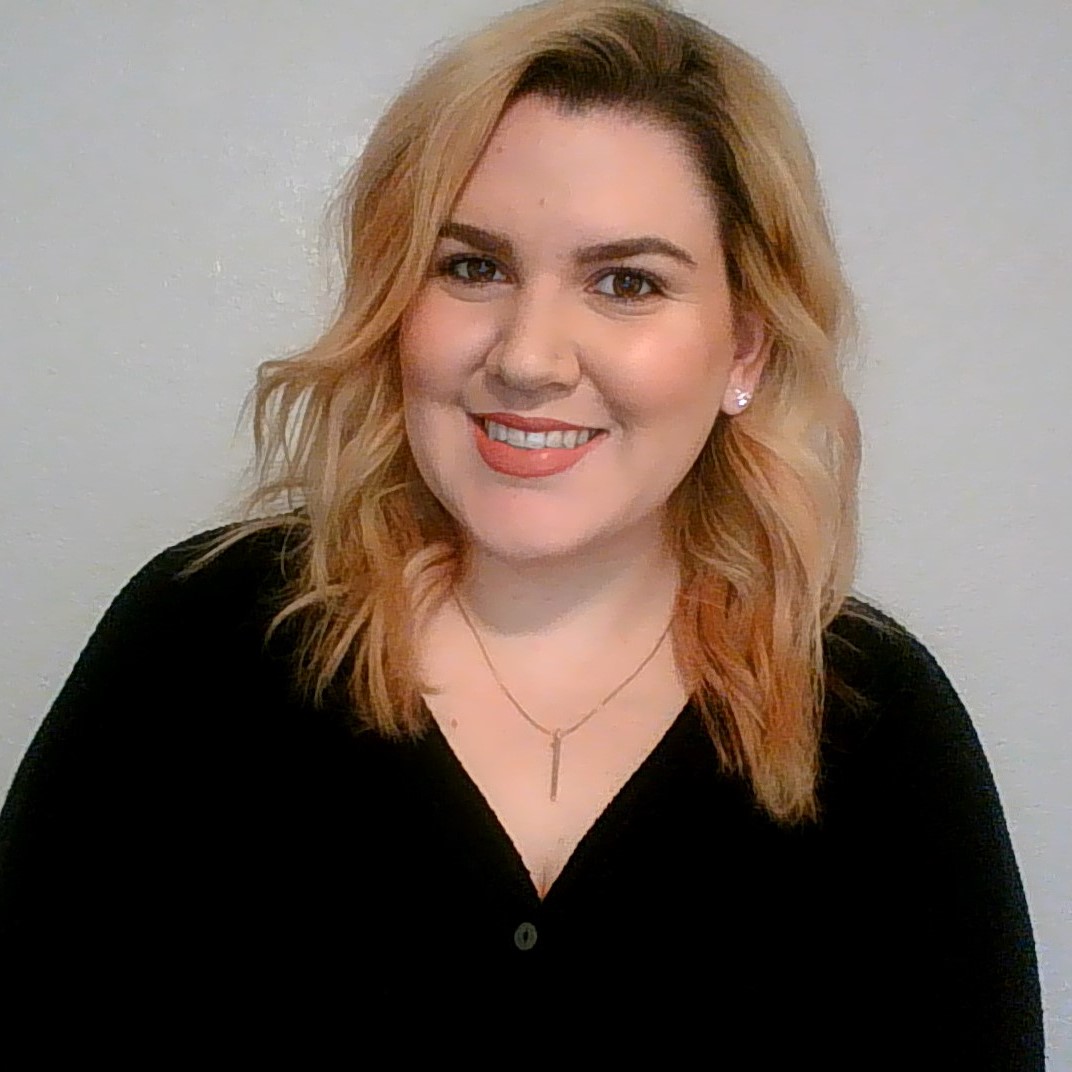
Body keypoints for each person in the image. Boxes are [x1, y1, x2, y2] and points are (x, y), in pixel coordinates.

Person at [0, 0, 1043, 1063]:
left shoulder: (875, 722)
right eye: (474, 267)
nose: (528, 357)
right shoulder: (195, 643)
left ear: (744, 348)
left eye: (626, 282)